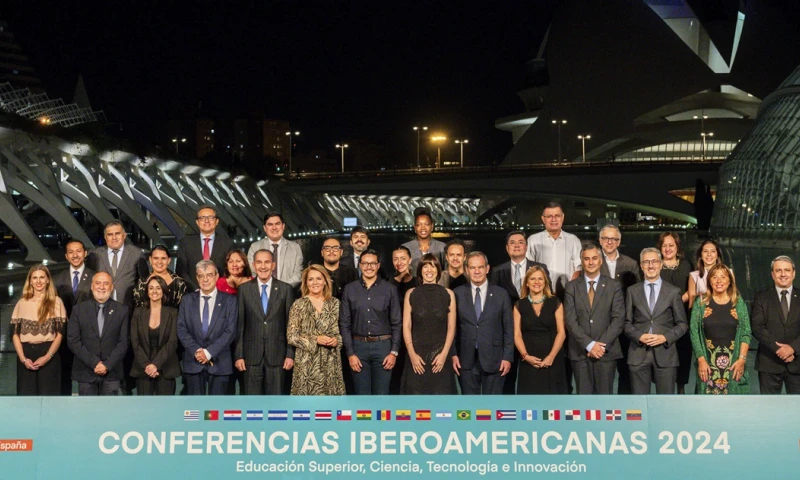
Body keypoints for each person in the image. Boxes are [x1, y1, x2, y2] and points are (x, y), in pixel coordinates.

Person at [564, 242, 625, 394]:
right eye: (586, 259)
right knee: (584, 402)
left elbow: (618, 319)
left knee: (605, 402)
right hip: (580, 352)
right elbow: (570, 320)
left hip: (606, 352)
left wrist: (599, 346)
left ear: (600, 260)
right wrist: (589, 345)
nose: (590, 262)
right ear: (582, 261)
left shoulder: (614, 286)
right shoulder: (571, 287)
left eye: (594, 258)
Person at [625, 248, 688, 394]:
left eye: (654, 261)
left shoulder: (673, 292)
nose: (651, 265)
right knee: (638, 407)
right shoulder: (632, 291)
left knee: (665, 405)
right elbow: (626, 322)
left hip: (665, 354)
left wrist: (665, 337)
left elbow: (682, 324)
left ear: (660, 264)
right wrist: (639, 336)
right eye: (646, 262)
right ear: (641, 265)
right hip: (638, 353)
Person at [340, 249, 402, 395]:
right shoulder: (350, 289)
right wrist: (350, 353)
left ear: (378, 265)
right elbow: (344, 324)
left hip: (383, 348)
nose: (369, 267)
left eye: (373, 263)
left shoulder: (390, 290)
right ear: (360, 265)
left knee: (382, 395)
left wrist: (394, 352)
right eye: (365, 263)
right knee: (362, 396)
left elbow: (397, 323)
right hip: (358, 348)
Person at [451, 251, 513, 394]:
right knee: (469, 407)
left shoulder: (501, 294)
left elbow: (508, 328)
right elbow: (452, 328)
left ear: (487, 268)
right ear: (467, 270)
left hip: (495, 359)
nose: (477, 271)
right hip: (465, 359)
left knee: (492, 406)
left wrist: (507, 357)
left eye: (480, 267)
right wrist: (453, 354)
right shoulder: (457, 293)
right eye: (472, 268)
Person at [235, 250, 296, 395]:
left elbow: (291, 325)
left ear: (273, 265)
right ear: (254, 265)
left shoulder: (286, 289)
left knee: (276, 405)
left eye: (267, 262)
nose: (263, 266)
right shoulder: (244, 289)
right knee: (253, 406)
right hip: (251, 357)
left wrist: (290, 354)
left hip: (278, 356)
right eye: (259, 262)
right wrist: (239, 355)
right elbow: (240, 325)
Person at [177, 260, 238, 395]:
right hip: (193, 363)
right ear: (196, 278)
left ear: (216, 277)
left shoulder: (230, 301)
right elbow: (181, 329)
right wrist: (197, 351)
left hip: (220, 364)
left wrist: (209, 352)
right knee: (194, 412)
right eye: (201, 276)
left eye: (209, 275)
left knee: (216, 412)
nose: (205, 279)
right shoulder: (187, 300)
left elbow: (230, 331)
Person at [689, 264, 751, 395]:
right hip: (707, 365)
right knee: (707, 409)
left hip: (734, 364)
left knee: (734, 409)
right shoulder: (700, 302)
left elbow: (746, 332)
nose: (719, 281)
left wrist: (741, 360)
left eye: (723, 277)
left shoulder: (738, 302)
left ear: (730, 281)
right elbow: (694, 331)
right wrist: (701, 360)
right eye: (714, 277)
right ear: (709, 281)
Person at [401, 254, 457, 395]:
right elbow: (406, 326)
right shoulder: (411, 293)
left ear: (438, 270)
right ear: (420, 270)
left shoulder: (448, 294)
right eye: (425, 266)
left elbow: (451, 327)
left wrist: (444, 355)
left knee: (441, 405)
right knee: (415, 404)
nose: (429, 270)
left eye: (433, 266)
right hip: (416, 356)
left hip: (440, 357)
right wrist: (412, 354)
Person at [67, 272, 130, 396]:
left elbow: (124, 342)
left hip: (111, 373)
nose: (102, 287)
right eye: (98, 283)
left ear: (112, 287)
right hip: (86, 372)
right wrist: (94, 362)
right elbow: (73, 340)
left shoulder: (122, 310)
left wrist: (107, 365)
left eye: (106, 283)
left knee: (110, 413)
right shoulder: (78, 310)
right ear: (91, 286)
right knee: (87, 414)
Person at [287, 265, 345, 395]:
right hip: (307, 364)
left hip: (331, 363)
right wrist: (316, 339)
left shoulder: (335, 303)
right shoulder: (298, 305)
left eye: (319, 279)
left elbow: (341, 333)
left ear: (325, 281)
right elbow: (291, 336)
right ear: (306, 282)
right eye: (311, 279)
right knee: (307, 408)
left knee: (331, 408)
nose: (315, 283)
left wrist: (337, 341)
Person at [597, 224, 640, 394]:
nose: (610, 242)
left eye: (614, 239)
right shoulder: (593, 262)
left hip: (624, 325)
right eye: (606, 238)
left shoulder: (630, 263)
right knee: (603, 372)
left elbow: (637, 294)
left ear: (619, 241)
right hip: (600, 325)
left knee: (625, 371)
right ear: (600, 241)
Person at [11, 265, 67, 396]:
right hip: (25, 356)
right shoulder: (22, 303)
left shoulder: (56, 302)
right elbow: (15, 335)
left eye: (42, 277)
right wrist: (23, 359)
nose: (38, 281)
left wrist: (47, 357)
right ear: (30, 281)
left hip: (49, 354)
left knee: (49, 399)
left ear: (48, 280)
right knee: (26, 399)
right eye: (35, 278)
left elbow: (60, 334)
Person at [514, 265, 567, 394]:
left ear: (545, 282)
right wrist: (526, 356)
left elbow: (561, 333)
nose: (537, 282)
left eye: (540, 279)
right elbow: (517, 334)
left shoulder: (555, 302)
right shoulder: (519, 304)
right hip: (529, 361)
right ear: (527, 283)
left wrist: (551, 357)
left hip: (552, 359)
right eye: (532, 279)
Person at [752, 256, 800, 394]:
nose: (783, 274)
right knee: (768, 410)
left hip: (797, 364)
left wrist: (792, 348)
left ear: (793, 273)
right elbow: (757, 327)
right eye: (778, 270)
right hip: (769, 364)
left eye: (787, 270)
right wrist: (778, 349)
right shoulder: (761, 297)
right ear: (772, 274)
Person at [53, 239, 95, 395]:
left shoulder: (95, 278)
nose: (75, 255)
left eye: (78, 251)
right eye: (71, 252)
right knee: (64, 378)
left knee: (88, 379)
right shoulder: (57, 279)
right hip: (64, 337)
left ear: (85, 253)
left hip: (88, 337)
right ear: (66, 256)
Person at [129, 276, 180, 395]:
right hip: (143, 368)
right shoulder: (138, 312)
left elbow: (172, 342)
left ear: (163, 291)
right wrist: (148, 366)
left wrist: (156, 365)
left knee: (165, 410)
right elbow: (135, 342)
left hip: (166, 367)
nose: (154, 291)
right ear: (147, 291)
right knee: (145, 410)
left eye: (158, 288)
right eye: (151, 288)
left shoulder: (173, 313)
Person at [656, 232, 692, 393]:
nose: (668, 248)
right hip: (661, 318)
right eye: (664, 245)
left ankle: (681, 387)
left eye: (671, 245)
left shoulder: (686, 265)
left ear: (677, 247)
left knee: (683, 352)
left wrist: (676, 303)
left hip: (682, 316)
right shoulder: (655, 265)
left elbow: (691, 290)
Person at [86, 220, 149, 308]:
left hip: (128, 307)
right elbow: (89, 282)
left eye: (117, 233)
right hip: (101, 307)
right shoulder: (95, 255)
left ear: (124, 235)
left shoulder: (136, 253)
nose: (114, 237)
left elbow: (144, 281)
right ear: (105, 237)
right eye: (110, 234)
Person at [526, 202, 582, 298]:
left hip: (567, 294)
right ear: (543, 219)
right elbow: (529, 268)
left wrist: (570, 290)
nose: (554, 219)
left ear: (563, 217)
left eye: (557, 215)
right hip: (540, 294)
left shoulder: (573, 240)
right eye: (549, 216)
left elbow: (579, 267)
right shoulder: (533, 240)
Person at [175, 205, 234, 292]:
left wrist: (217, 288)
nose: (206, 221)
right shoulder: (186, 243)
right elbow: (181, 271)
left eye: (210, 217)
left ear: (217, 221)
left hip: (220, 293)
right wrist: (195, 289)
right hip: (193, 294)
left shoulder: (227, 243)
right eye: (202, 218)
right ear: (197, 222)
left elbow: (230, 270)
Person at [492, 230, 551, 303]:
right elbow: (494, 298)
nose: (517, 246)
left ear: (526, 247)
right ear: (507, 248)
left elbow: (548, 294)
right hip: (508, 312)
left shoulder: (541, 268)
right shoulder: (498, 271)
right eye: (512, 243)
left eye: (520, 242)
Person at [388, 245, 417, 393]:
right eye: (396, 259)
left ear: (410, 260)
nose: (399, 262)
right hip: (394, 337)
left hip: (415, 335)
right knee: (395, 377)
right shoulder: (388, 283)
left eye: (403, 258)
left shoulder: (418, 282)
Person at [247, 213, 303, 288]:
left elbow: (298, 275)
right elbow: (252, 273)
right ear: (264, 228)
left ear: (283, 226)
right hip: (261, 293)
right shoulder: (254, 247)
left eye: (277, 224)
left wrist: (280, 288)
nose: (274, 227)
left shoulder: (295, 248)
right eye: (270, 224)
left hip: (286, 294)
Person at [402, 207, 446, 272]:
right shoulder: (405, 248)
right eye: (419, 224)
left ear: (432, 226)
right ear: (415, 228)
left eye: (426, 224)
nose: (423, 228)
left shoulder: (442, 247)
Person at [688, 239, 724, 309]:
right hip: (702, 314)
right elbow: (691, 303)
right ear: (701, 255)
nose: (709, 254)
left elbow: (733, 296)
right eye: (705, 251)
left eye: (713, 251)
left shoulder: (728, 273)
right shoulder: (694, 276)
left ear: (717, 255)